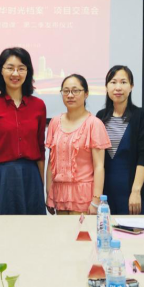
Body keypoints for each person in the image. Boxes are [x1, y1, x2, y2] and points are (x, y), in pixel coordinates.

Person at [0, 47, 46, 215]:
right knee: (0, 228)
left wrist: (41, 185)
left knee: (32, 228)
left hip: (31, 178)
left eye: (21, 68)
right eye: (10, 68)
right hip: (1, 178)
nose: (15, 73)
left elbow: (40, 149)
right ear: (1, 71)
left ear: (28, 72)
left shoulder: (38, 105)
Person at [46, 74, 111, 214]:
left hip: (84, 197)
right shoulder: (55, 122)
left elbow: (99, 166)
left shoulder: (94, 124)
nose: (70, 95)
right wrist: (49, 194)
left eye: (75, 91)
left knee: (81, 229)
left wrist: (96, 201)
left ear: (86, 94)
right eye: (66, 91)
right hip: (60, 195)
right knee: (62, 229)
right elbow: (51, 163)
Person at [96, 65, 144, 214]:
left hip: (132, 193)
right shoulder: (100, 117)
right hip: (106, 193)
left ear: (131, 86)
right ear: (107, 87)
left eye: (123, 82)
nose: (118, 87)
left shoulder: (141, 115)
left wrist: (136, 191)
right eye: (113, 82)